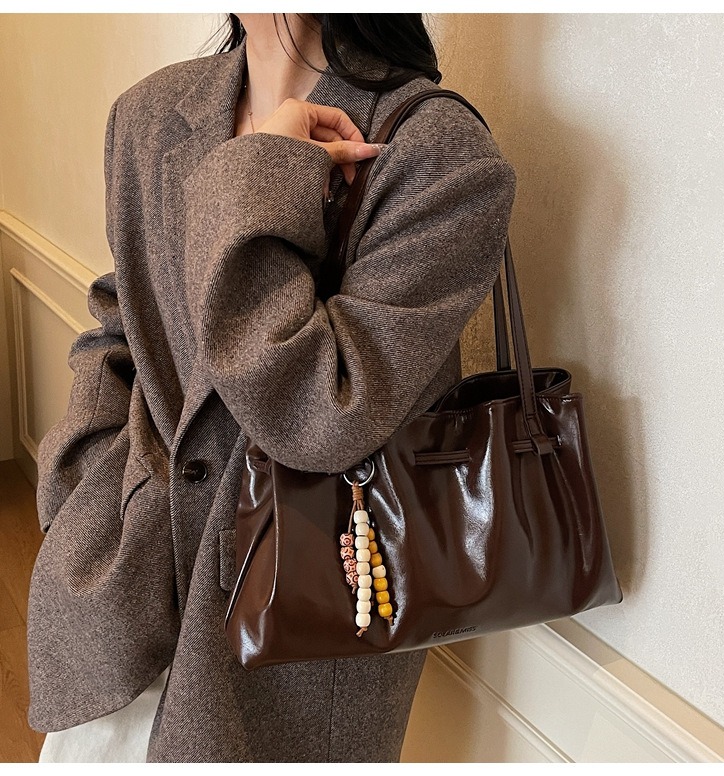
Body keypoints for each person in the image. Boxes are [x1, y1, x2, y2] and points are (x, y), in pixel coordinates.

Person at [27, 13, 516, 763]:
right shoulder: (150, 113)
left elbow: (322, 411)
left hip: (295, 638)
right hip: (126, 584)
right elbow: (124, 315)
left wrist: (259, 178)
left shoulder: (435, 154)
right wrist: (82, 473)